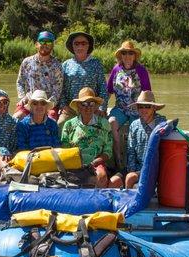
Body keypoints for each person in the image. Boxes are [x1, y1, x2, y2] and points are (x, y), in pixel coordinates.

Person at [61, 87, 121, 188]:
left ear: (95, 106)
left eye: (91, 104)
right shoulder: (69, 125)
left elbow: (108, 151)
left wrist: (95, 162)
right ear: (78, 107)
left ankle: (98, 203)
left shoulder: (104, 124)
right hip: (74, 164)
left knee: (101, 176)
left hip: (96, 163)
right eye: (83, 104)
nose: (87, 107)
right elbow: (65, 149)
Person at [107, 40, 151, 169]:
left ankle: (135, 165)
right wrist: (101, 108)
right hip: (120, 109)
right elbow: (108, 91)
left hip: (137, 110)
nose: (127, 56)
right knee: (111, 122)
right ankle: (118, 162)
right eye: (124, 53)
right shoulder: (116, 70)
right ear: (120, 55)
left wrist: (148, 112)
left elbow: (147, 93)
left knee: (136, 131)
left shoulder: (141, 71)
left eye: (130, 53)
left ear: (134, 55)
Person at [57, 31, 108, 129]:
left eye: (83, 43)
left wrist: (101, 108)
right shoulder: (66, 65)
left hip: (92, 108)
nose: (80, 46)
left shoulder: (96, 64)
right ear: (72, 46)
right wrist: (64, 106)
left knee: (104, 127)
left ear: (88, 46)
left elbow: (103, 88)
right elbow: (60, 89)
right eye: (76, 43)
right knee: (60, 125)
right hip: (71, 109)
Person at [14, 31, 63, 120]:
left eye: (48, 42)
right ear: (36, 44)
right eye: (42, 42)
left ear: (52, 46)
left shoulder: (57, 66)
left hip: (48, 104)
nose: (45, 44)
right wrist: (22, 98)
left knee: (51, 120)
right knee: (16, 118)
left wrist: (48, 104)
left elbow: (58, 90)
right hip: (29, 101)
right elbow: (20, 82)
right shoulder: (26, 62)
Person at [125, 90, 166, 189]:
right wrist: (132, 170)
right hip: (141, 169)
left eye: (147, 106)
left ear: (154, 108)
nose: (144, 109)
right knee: (129, 177)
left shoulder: (162, 124)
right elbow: (131, 152)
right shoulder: (134, 125)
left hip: (158, 168)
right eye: (140, 106)